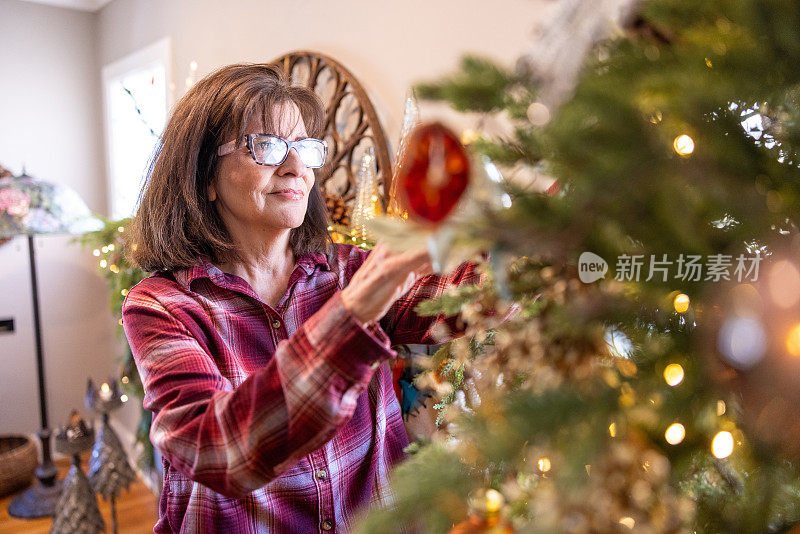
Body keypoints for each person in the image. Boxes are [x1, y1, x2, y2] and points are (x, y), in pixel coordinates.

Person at [122, 63, 480, 533]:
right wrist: (351, 316)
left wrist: (544, 237)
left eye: (305, 148)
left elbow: (463, 304)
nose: (296, 167)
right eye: (267, 146)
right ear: (204, 175)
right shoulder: (163, 306)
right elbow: (220, 451)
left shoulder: (348, 269)